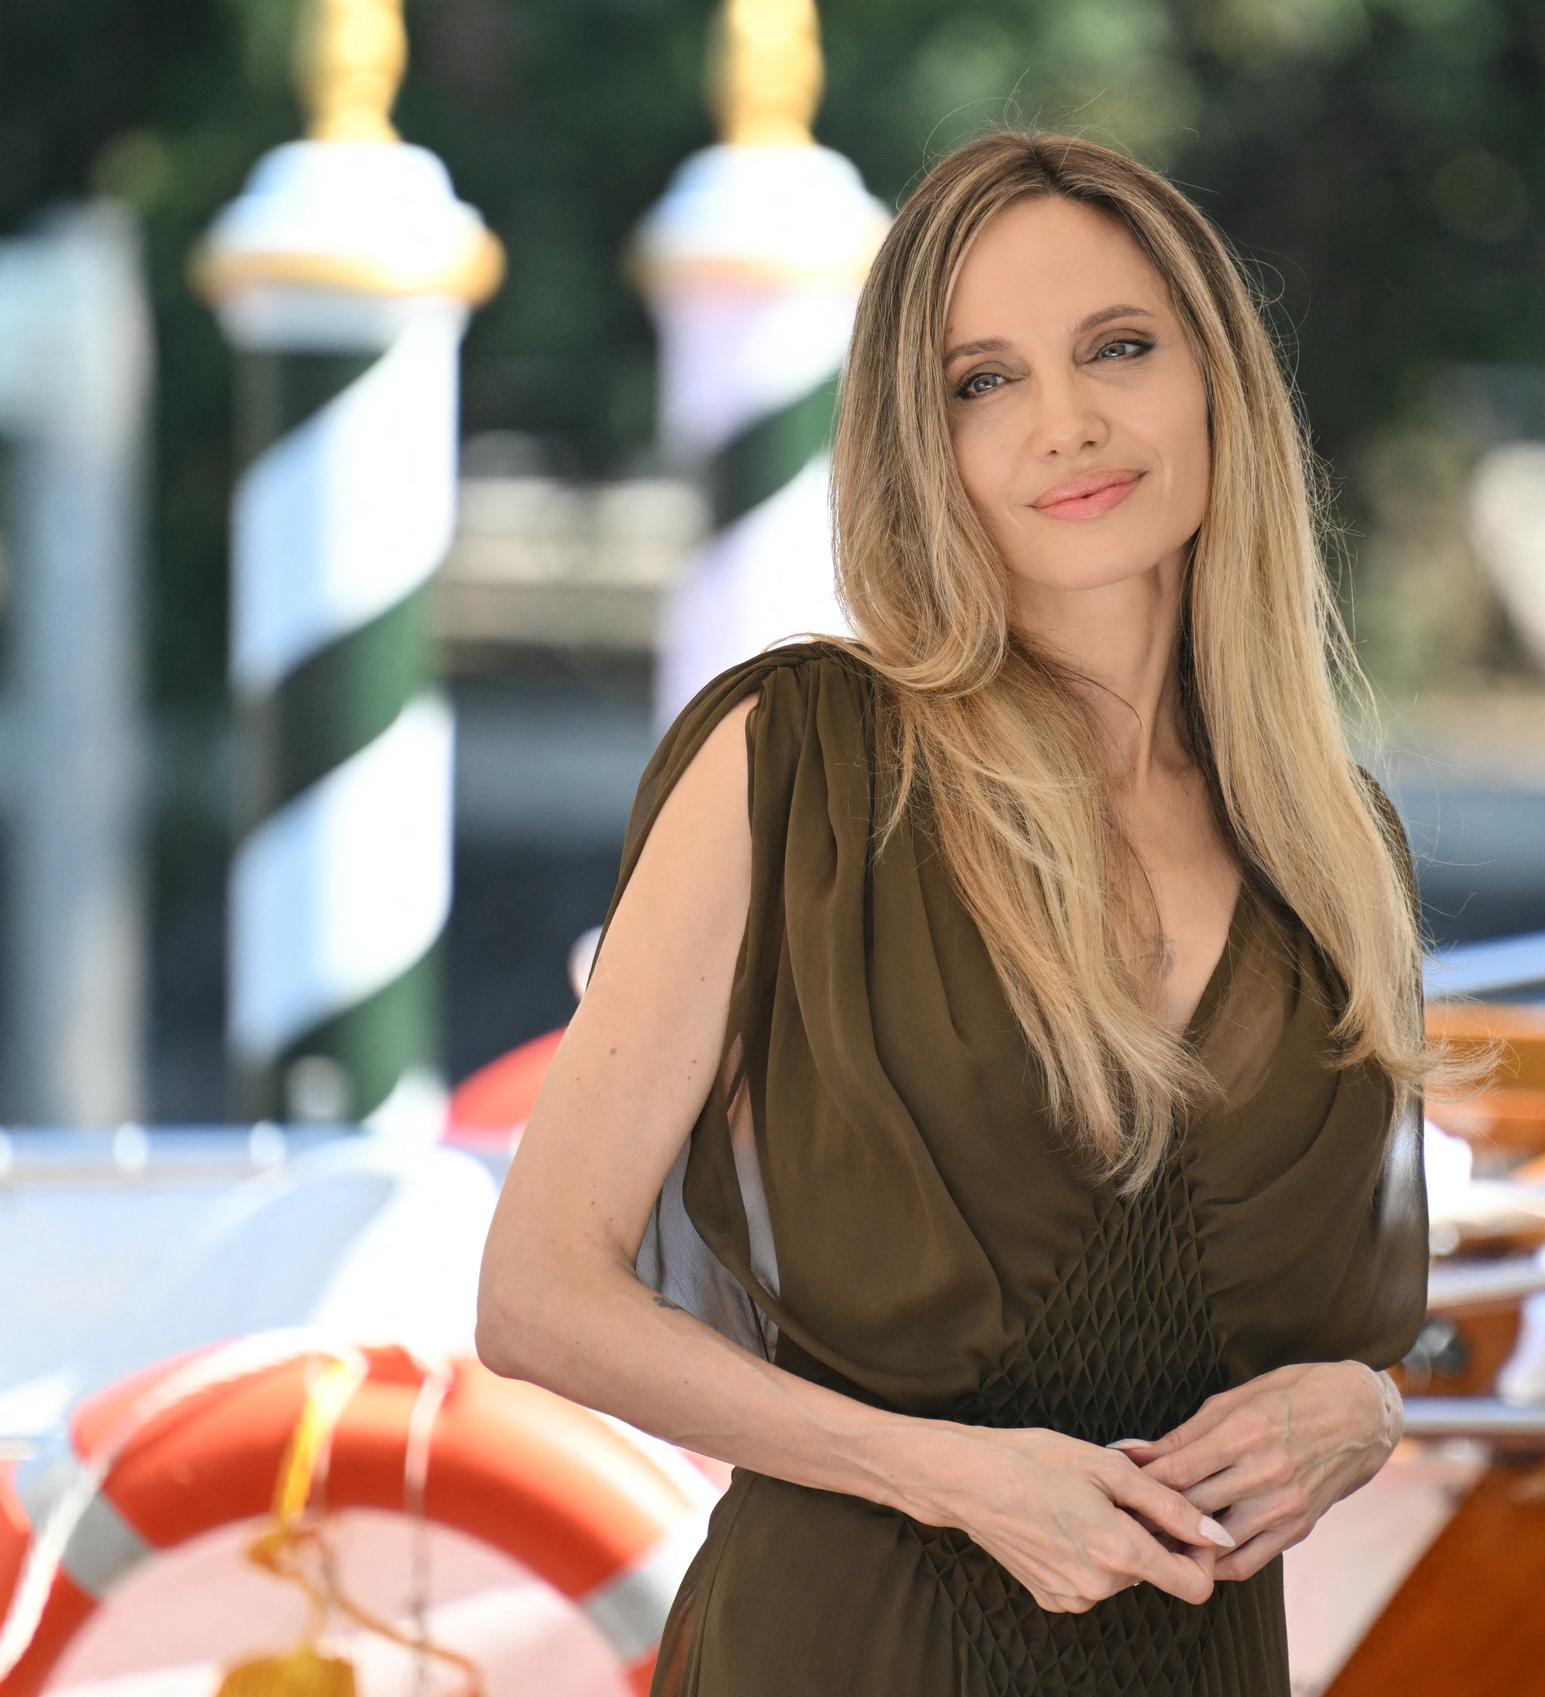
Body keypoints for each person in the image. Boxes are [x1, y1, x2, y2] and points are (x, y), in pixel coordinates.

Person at [476, 126, 1486, 1695]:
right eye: (982, 381)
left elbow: (1336, 1324)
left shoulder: (1333, 842)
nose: (1067, 423)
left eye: (1120, 348)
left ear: (1218, 378)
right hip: (850, 1646)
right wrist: (953, 1475)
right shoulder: (797, 760)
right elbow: (538, 1295)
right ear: (918, 444)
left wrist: (1361, 1406)